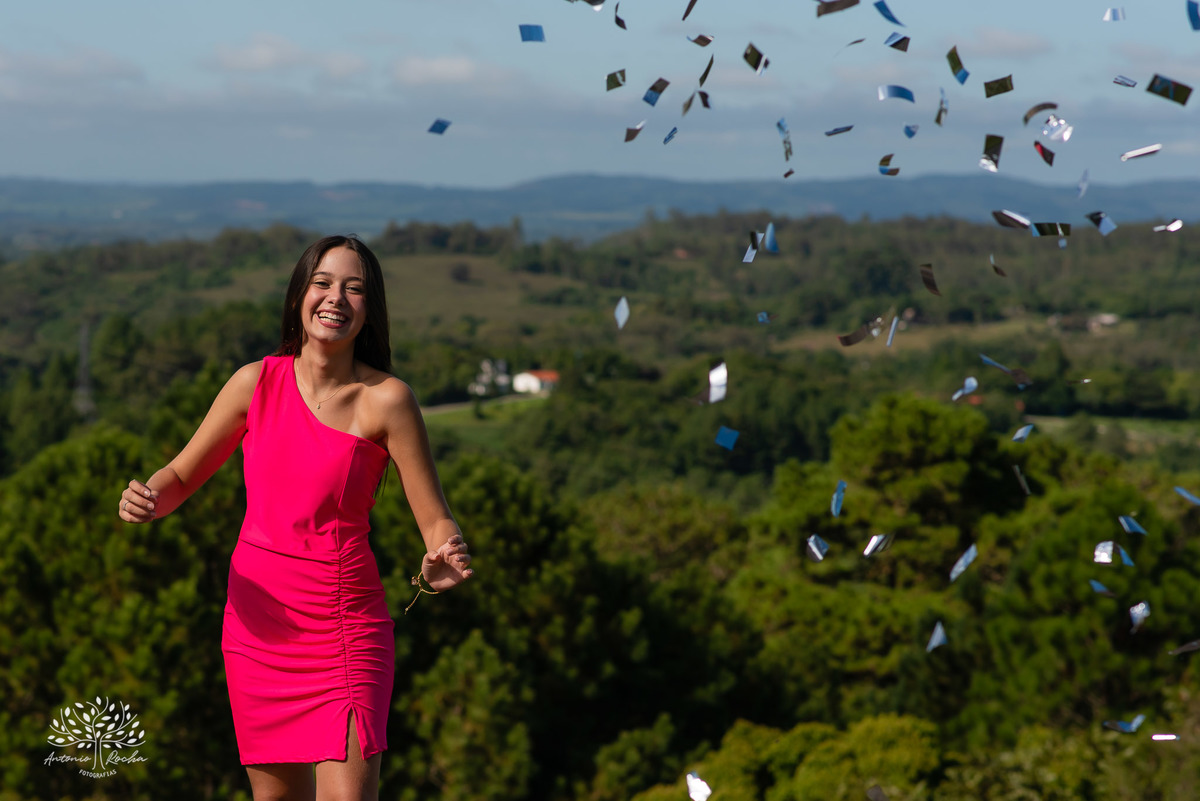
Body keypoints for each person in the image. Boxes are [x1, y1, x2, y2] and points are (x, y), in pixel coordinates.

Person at [117, 235, 473, 801]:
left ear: (371, 309)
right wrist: (149, 498)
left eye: (354, 288)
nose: (336, 298)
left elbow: (435, 518)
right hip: (257, 629)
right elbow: (180, 475)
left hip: (344, 627)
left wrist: (444, 551)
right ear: (298, 296)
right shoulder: (253, 383)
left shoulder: (388, 400)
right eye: (322, 283)